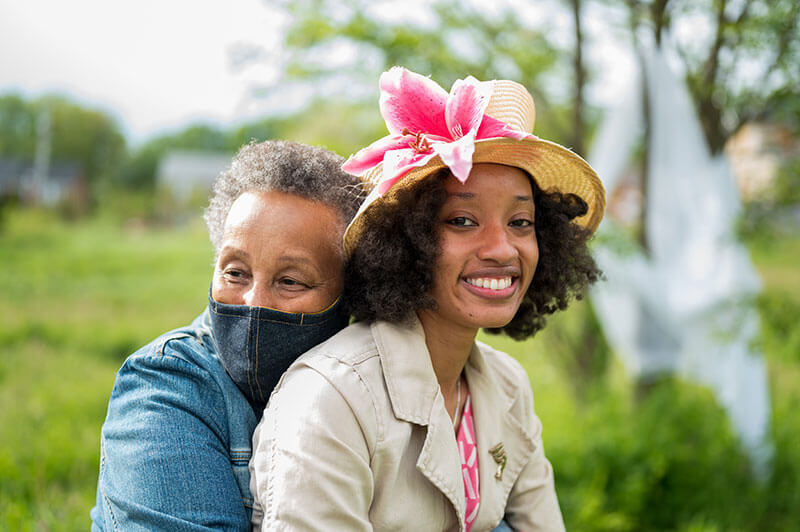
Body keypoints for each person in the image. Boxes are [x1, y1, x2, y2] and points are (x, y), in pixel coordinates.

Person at [249, 67, 605, 531]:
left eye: (521, 222)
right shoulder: (333, 398)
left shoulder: (508, 387)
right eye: (462, 220)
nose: (502, 249)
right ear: (406, 242)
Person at [90, 140, 362, 531]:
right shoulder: (166, 388)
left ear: (348, 294)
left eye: (290, 281)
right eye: (236, 272)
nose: (253, 303)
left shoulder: (367, 387)